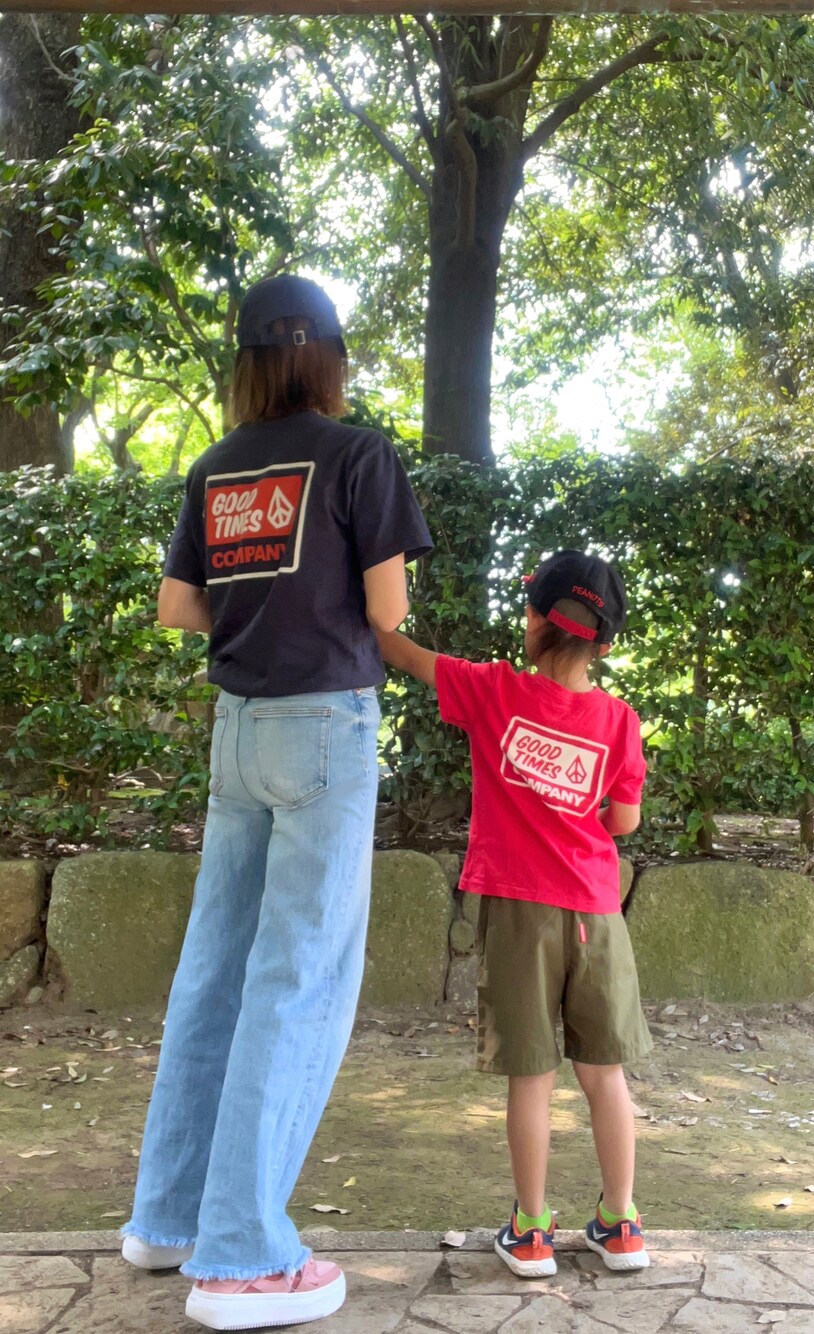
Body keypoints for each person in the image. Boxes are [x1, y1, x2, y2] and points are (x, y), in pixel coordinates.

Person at [120, 274, 432, 1331]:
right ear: (329, 357)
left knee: (214, 970)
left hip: (239, 730)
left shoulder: (215, 467)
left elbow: (177, 608)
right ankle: (245, 1257)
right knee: (298, 980)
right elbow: (386, 608)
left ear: (248, 362)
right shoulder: (359, 454)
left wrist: (258, 609)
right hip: (325, 727)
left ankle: (169, 1219)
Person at [377, 549, 652, 1278]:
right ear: (604, 644)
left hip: (518, 912)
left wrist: (355, 599)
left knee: (531, 1077)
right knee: (605, 1075)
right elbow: (623, 821)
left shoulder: (492, 690)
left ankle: (531, 1232)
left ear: (535, 621)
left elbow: (403, 652)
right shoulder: (620, 721)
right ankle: (621, 1223)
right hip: (597, 916)